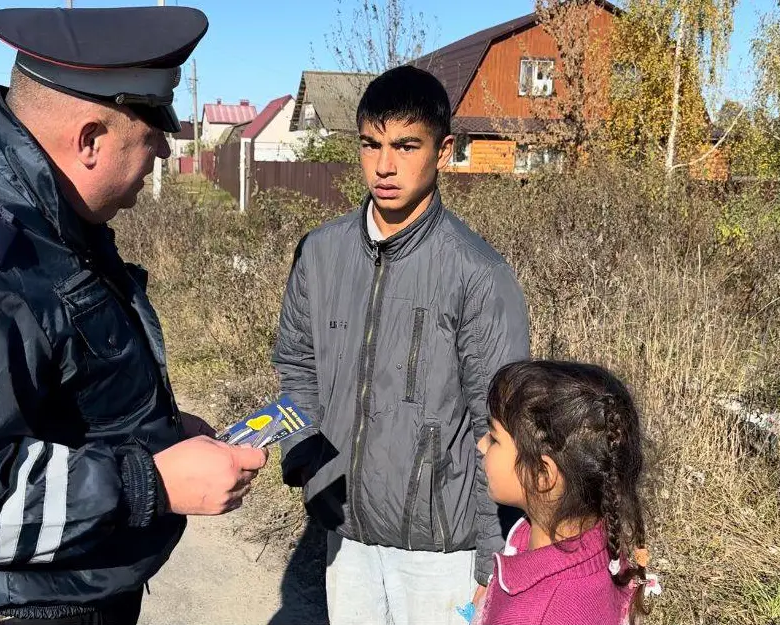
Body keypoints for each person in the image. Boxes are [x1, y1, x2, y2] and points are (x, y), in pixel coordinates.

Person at [0, 6, 268, 623]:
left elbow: (50, 378)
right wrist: (150, 483)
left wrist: (157, 437)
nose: (163, 152)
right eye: (150, 136)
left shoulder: (37, 209)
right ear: (88, 140)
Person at [272, 65, 531, 625]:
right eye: (371, 144)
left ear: (444, 150)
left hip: (443, 547)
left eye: (406, 145)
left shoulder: (478, 275)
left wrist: (496, 563)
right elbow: (296, 364)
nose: (384, 166)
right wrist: (304, 454)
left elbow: (503, 426)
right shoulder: (320, 254)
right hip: (347, 531)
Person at [474, 360, 660, 625]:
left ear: (542, 475)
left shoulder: (534, 616)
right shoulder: (600, 542)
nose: (482, 445)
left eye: (494, 438)